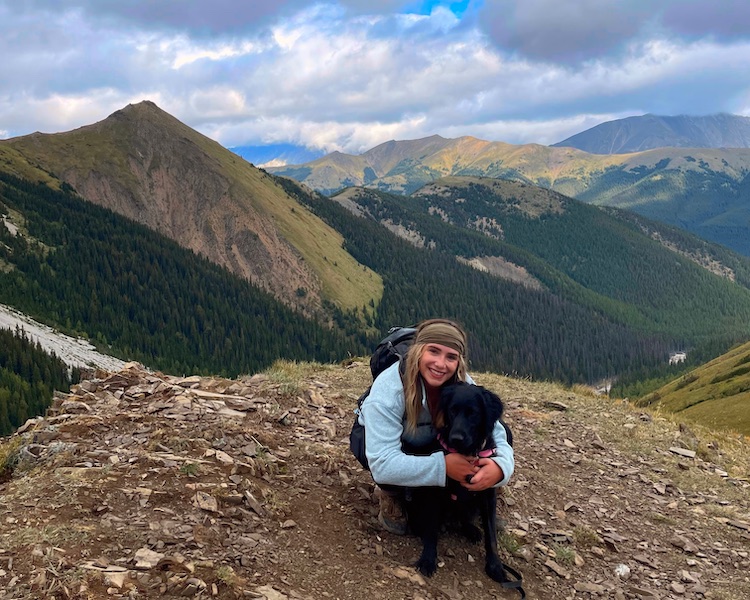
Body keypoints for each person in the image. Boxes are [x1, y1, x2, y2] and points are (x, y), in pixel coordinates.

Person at [357, 318, 515, 535]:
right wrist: (443, 467)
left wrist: (500, 468)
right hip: (400, 446)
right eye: (433, 351)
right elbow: (382, 463)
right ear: (418, 351)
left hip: (431, 440)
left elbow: (497, 430)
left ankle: (481, 487)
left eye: (451, 357)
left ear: (459, 362)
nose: (441, 364)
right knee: (372, 452)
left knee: (501, 430)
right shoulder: (388, 393)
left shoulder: (460, 381)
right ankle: (392, 494)